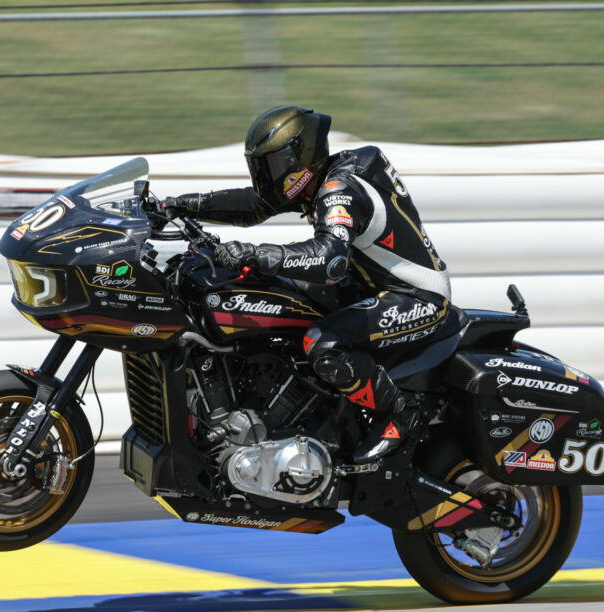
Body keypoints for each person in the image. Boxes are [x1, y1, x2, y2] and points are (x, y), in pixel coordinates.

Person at [164, 105, 452, 464]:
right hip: (365, 285)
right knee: (271, 294)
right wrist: (178, 205)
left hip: (415, 296)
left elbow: (329, 259)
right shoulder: (320, 178)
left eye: (271, 166)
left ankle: (399, 413)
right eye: (259, 166)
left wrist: (254, 253)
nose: (264, 176)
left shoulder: (339, 190)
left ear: (299, 158)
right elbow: (253, 205)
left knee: (323, 342)